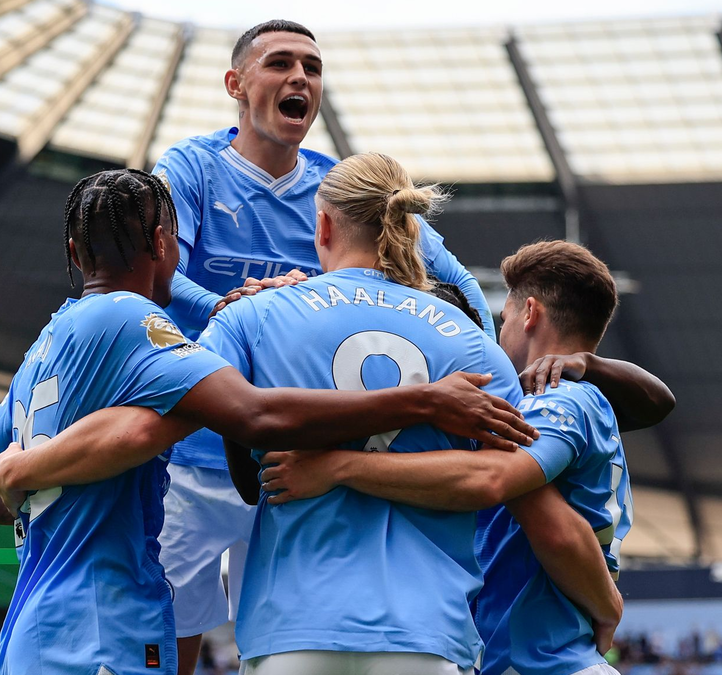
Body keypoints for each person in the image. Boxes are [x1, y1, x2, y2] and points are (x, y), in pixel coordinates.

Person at [150, 19, 673, 672]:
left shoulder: (319, 208)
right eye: (280, 63)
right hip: (402, 609)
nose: (300, 78)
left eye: (312, 67)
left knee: (184, 622)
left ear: (325, 225)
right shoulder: (192, 169)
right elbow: (163, 273)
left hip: (274, 506)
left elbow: (451, 280)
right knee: (173, 623)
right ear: (236, 83)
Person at [0, 168, 536, 675]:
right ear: (164, 243)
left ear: (75, 254)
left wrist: (47, 504)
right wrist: (424, 401)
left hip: (38, 624)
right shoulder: (136, 321)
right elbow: (254, 414)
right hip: (108, 619)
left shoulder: (50, 340)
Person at [260, 240, 636, 675]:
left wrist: (337, 467)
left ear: (529, 313)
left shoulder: (557, 400)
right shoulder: (584, 400)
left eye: (505, 317)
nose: (501, 332)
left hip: (547, 663)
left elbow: (517, 498)